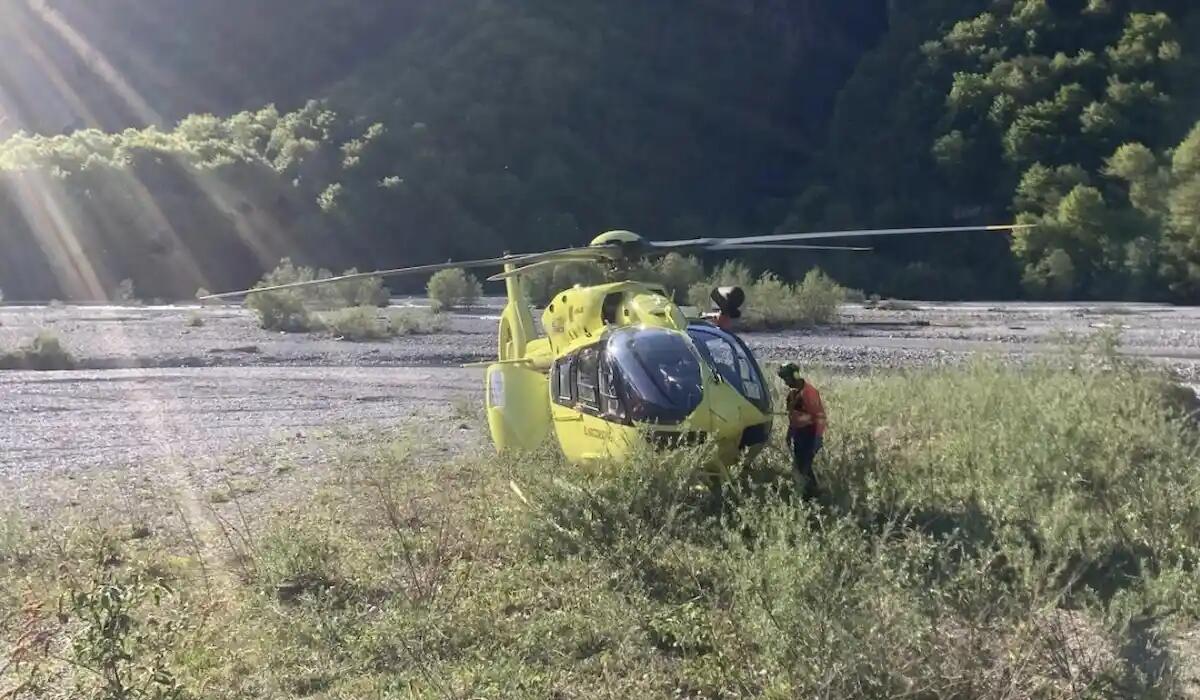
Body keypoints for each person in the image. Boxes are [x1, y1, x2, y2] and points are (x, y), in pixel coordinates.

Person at [777, 362, 826, 499]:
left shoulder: (809, 392)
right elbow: (793, 418)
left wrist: (818, 438)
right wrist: (789, 435)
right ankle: (811, 495)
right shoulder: (792, 395)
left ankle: (810, 496)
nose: (786, 383)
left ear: (795, 376)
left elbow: (820, 417)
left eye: (787, 379)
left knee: (802, 467)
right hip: (799, 436)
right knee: (802, 467)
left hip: (810, 435)